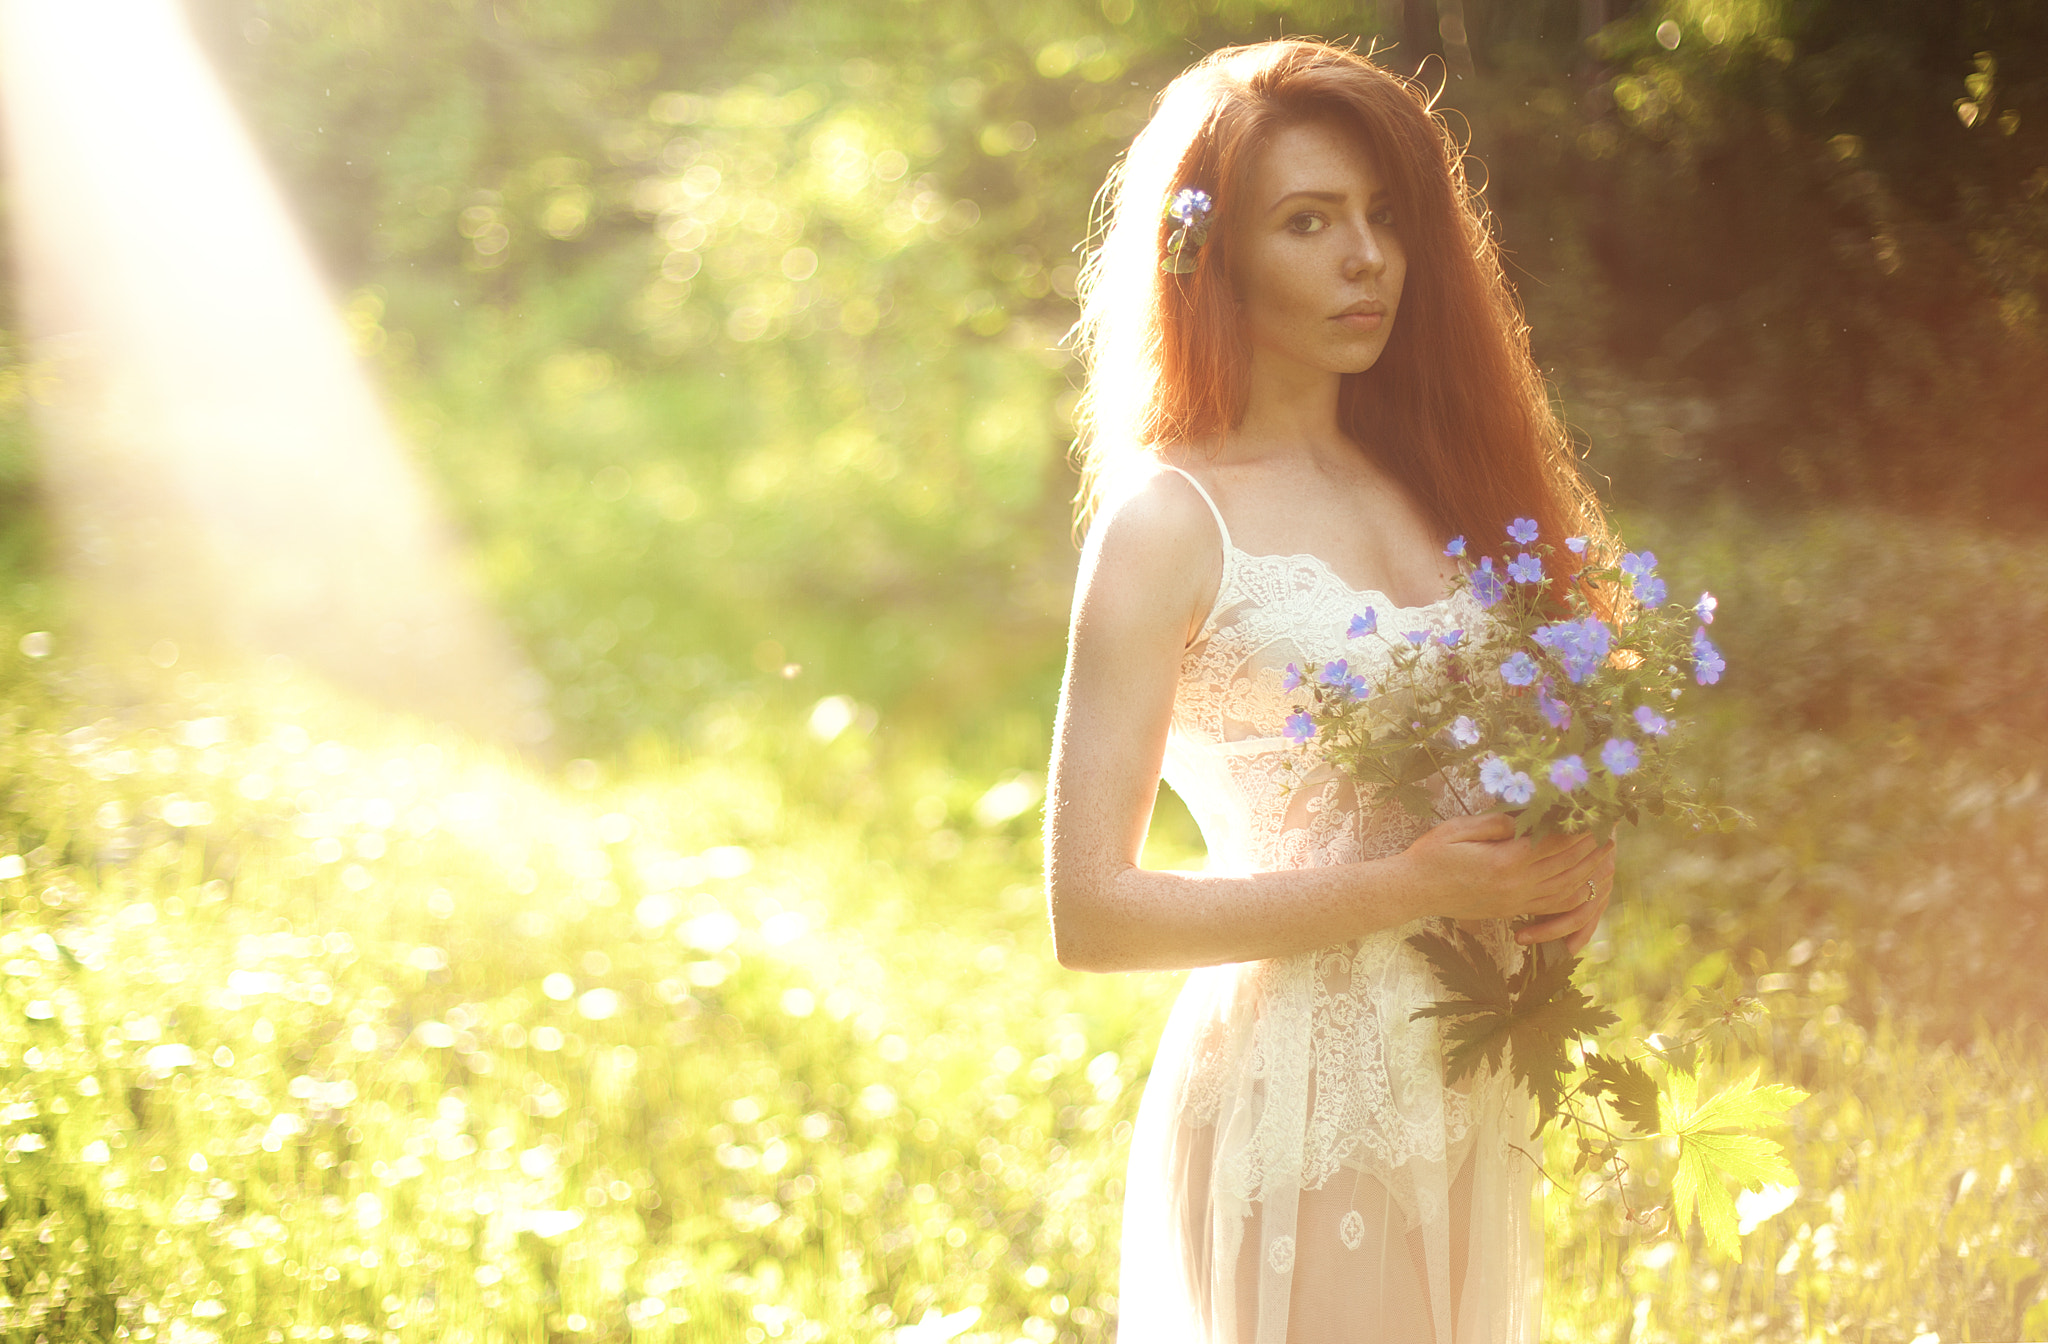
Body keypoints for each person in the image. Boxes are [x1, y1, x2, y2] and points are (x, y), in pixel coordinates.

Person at [1043, 39, 1621, 1344]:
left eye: (1381, 217)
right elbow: (1090, 911)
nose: (1366, 257)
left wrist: (1564, 871)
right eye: (1308, 222)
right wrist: (1417, 887)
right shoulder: (1168, 521)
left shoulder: (1429, 479)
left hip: (1463, 1071)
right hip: (1305, 1095)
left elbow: (1510, 767)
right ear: (1214, 256)